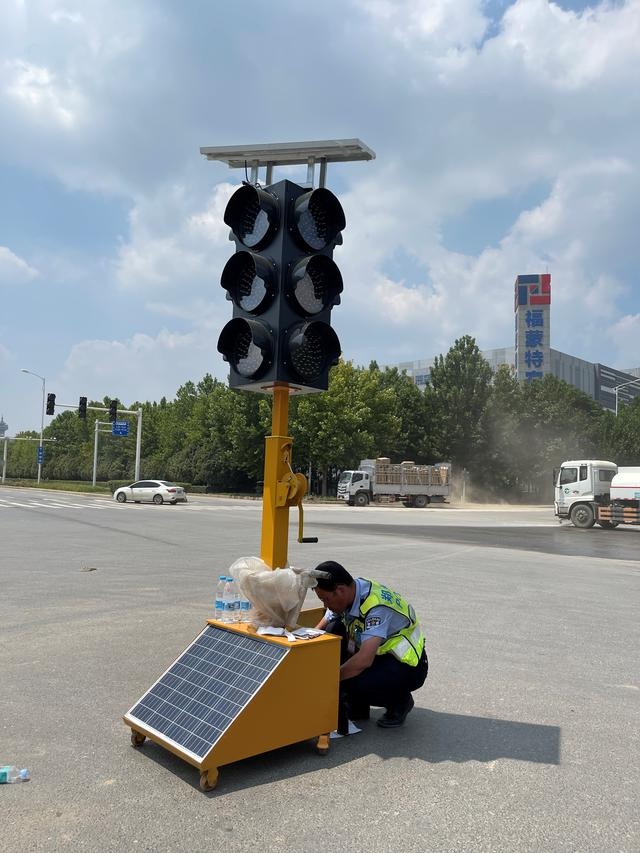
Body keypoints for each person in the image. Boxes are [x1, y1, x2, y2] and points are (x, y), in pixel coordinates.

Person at [314, 560, 428, 728]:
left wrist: (330, 679)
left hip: (407, 666)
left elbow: (364, 659)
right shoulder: (352, 590)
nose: (325, 605)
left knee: (357, 681)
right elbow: (323, 625)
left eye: (326, 599)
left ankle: (400, 701)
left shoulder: (376, 607)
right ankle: (358, 705)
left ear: (340, 591)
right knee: (332, 629)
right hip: (378, 654)